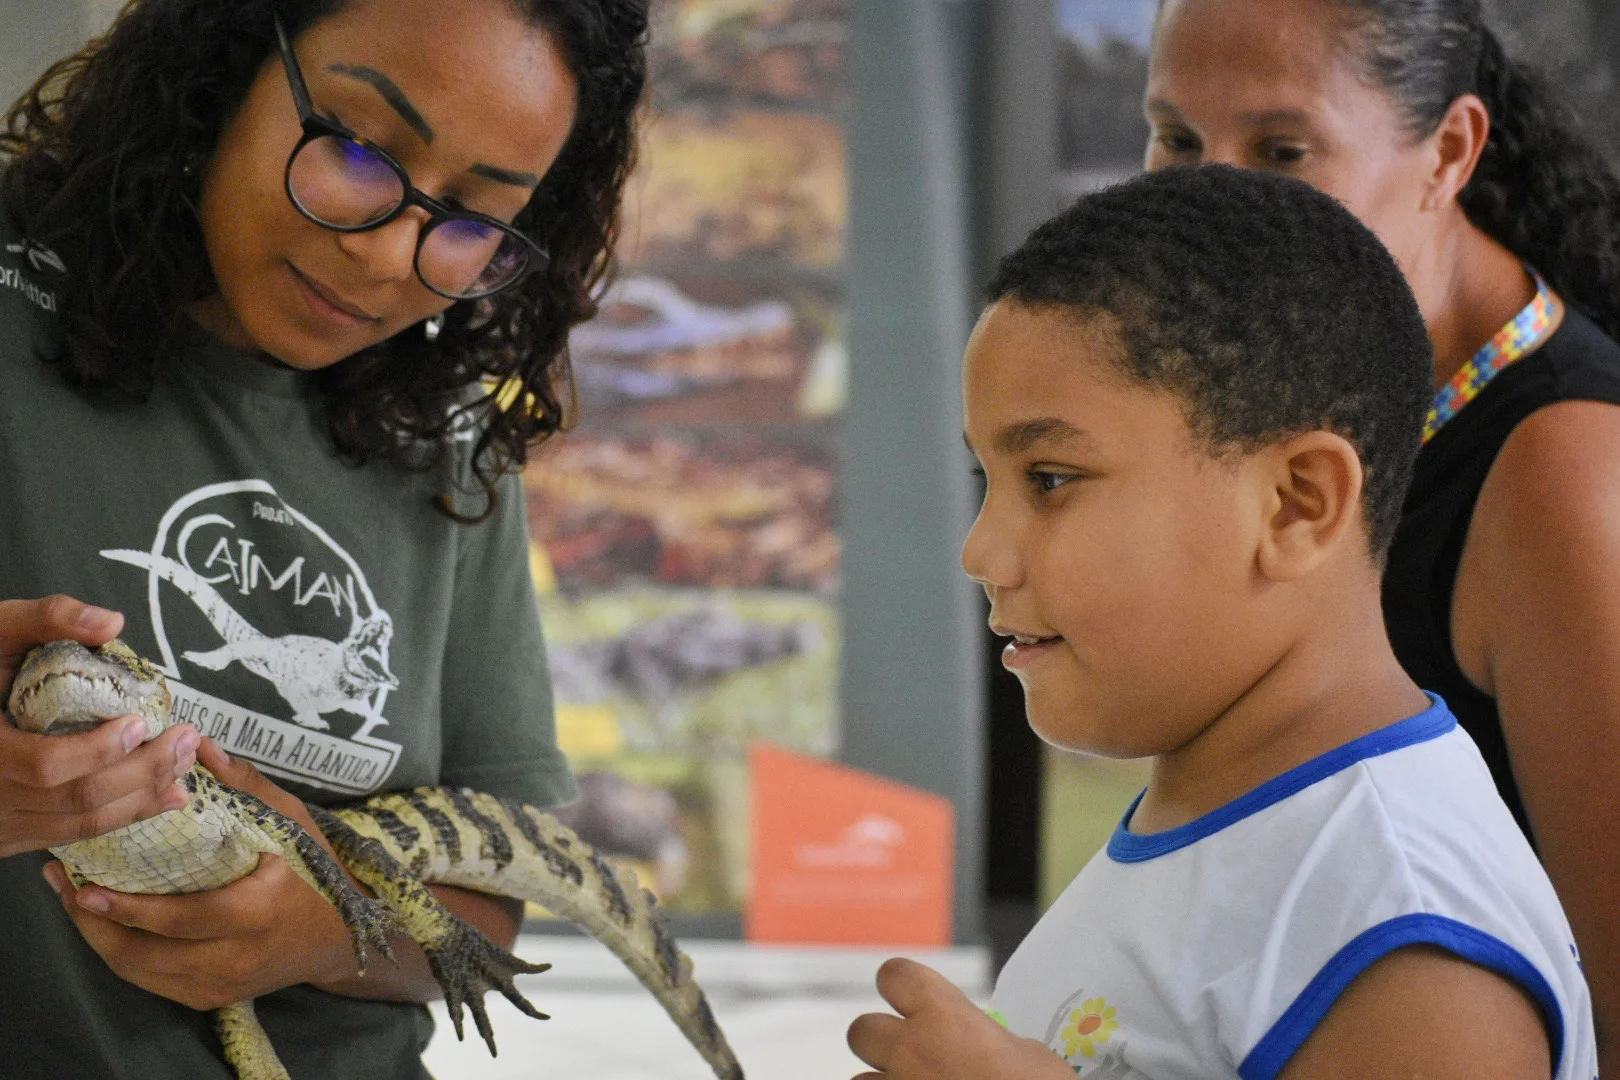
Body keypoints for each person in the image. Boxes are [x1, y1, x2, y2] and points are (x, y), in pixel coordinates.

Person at [0, 0, 645, 1077]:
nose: (393, 255)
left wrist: (321, 934)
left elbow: (484, 919)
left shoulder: (451, 440)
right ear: (224, 62)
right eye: (355, 147)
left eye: (477, 219)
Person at [847, 166, 1595, 1080]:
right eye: (985, 483)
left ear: (1297, 503)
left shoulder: (1405, 933)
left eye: (1049, 479)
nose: (982, 552)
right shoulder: (1233, 820)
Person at [1142, 0, 1620, 1066]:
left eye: (1281, 149)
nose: (1209, 200)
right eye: (1175, 139)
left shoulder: (1565, 480)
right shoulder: (1301, 371)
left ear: (1449, 151)